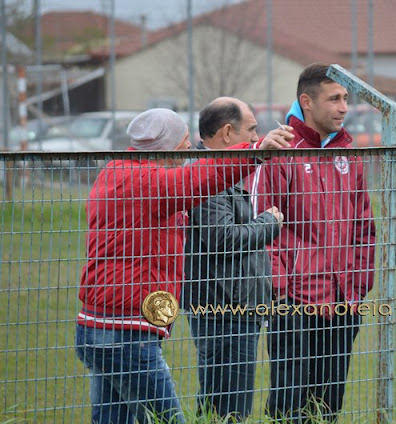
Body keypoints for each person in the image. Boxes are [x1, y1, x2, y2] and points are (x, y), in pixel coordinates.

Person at [75, 108, 289, 424]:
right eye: (184, 142)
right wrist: (255, 153)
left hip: (98, 327)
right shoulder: (147, 182)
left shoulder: (116, 172)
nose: (189, 149)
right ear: (167, 147)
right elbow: (199, 179)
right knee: (168, 419)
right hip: (126, 333)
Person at [251, 63, 377, 422]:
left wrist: (357, 286)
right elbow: (264, 229)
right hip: (295, 303)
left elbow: (364, 226)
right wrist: (281, 292)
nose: (343, 108)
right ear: (307, 101)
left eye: (345, 98)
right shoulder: (282, 150)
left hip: (343, 301)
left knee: (328, 406)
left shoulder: (347, 152)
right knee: (289, 405)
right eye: (334, 99)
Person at [182, 97, 291, 420]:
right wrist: (269, 223)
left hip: (234, 305)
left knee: (224, 403)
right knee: (228, 409)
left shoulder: (220, 172)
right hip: (225, 309)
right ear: (228, 133)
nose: (256, 137)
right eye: (251, 130)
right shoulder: (206, 175)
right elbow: (223, 238)